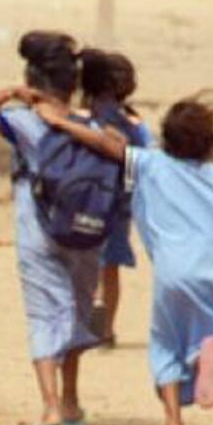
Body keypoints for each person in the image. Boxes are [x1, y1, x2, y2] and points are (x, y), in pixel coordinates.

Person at [33, 96, 213, 425]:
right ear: (211, 141)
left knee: (166, 341)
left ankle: (173, 422)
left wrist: (60, 122)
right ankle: (206, 355)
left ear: (167, 138)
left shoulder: (150, 164)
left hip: (175, 271)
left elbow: (106, 146)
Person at [0, 31, 100, 425]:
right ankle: (72, 400)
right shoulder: (90, 124)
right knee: (78, 311)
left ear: (32, 81)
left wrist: (10, 93)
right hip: (87, 231)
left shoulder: (24, 122)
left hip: (37, 228)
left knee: (44, 313)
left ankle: (51, 407)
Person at [79, 49, 152, 346]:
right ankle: (106, 329)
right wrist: (128, 194)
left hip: (85, 201)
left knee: (84, 265)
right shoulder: (132, 123)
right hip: (117, 204)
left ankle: (88, 322)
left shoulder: (82, 120)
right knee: (110, 268)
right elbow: (140, 162)